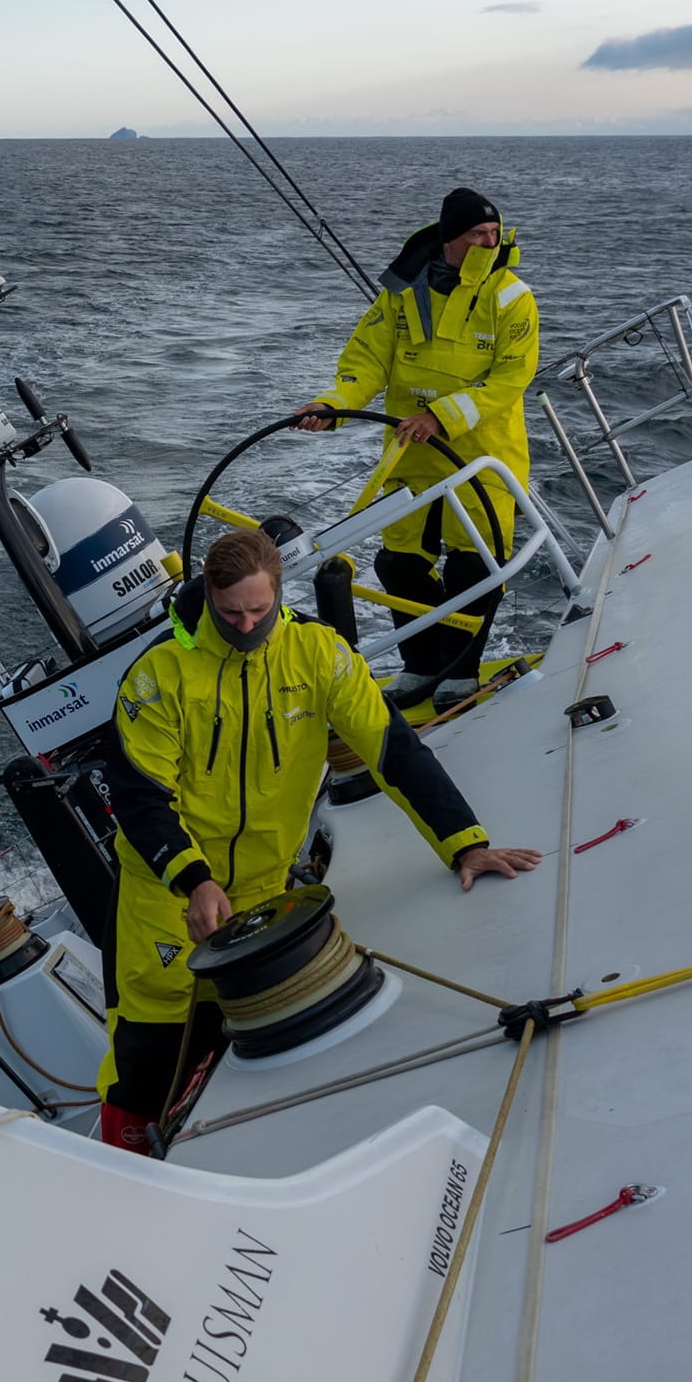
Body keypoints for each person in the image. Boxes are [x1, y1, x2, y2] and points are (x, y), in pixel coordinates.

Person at [97, 526, 542, 1153]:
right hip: (165, 894)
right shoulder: (158, 676)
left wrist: (465, 843)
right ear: (209, 596)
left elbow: (393, 750)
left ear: (280, 593)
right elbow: (140, 797)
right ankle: (126, 1158)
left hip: (264, 885)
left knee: (244, 1036)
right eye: (230, 613)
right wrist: (193, 880)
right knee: (150, 1050)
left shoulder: (319, 654)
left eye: (259, 610)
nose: (247, 625)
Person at [296, 186, 538, 711]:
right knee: (399, 564)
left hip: (481, 457)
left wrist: (441, 417)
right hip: (410, 455)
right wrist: (333, 404)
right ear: (450, 238)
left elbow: (510, 378)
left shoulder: (511, 296)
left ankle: (461, 671)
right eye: (477, 234)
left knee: (473, 565)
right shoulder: (401, 291)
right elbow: (367, 361)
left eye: (494, 233)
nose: (489, 243)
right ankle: (422, 666)